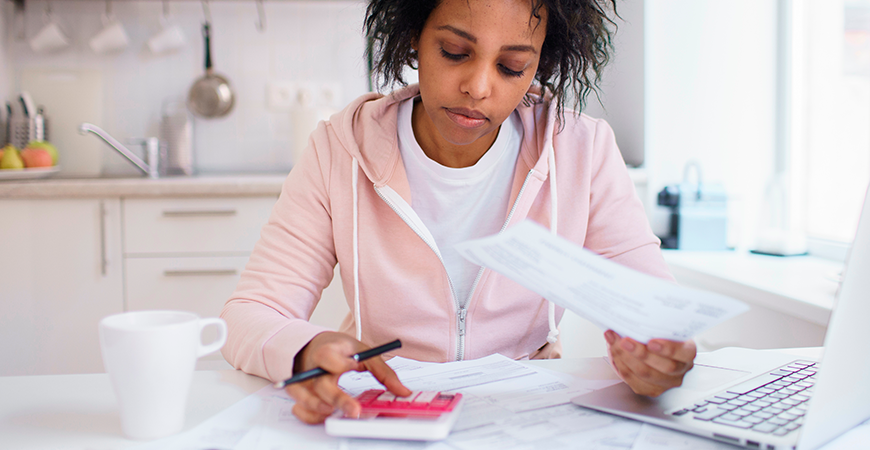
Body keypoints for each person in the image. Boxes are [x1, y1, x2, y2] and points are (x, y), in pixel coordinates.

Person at [221, 0, 697, 425]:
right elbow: (250, 314)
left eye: (512, 67)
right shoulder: (339, 150)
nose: (478, 86)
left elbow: (655, 310)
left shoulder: (582, 150)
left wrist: (661, 356)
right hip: (389, 409)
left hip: (526, 419)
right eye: (454, 52)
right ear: (414, 36)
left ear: (539, 66)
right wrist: (306, 349)